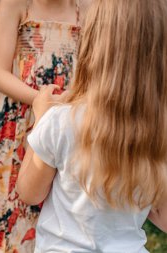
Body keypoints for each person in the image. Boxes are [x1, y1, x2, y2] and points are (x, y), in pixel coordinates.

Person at [18, 0, 167, 252]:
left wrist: (41, 120)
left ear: (92, 45)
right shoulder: (159, 131)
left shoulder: (60, 122)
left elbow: (29, 193)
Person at [0, 0, 91, 251]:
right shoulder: (16, 6)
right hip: (18, 121)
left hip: (69, 117)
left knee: (59, 190)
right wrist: (40, 101)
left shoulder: (87, 9)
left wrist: (72, 102)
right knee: (13, 197)